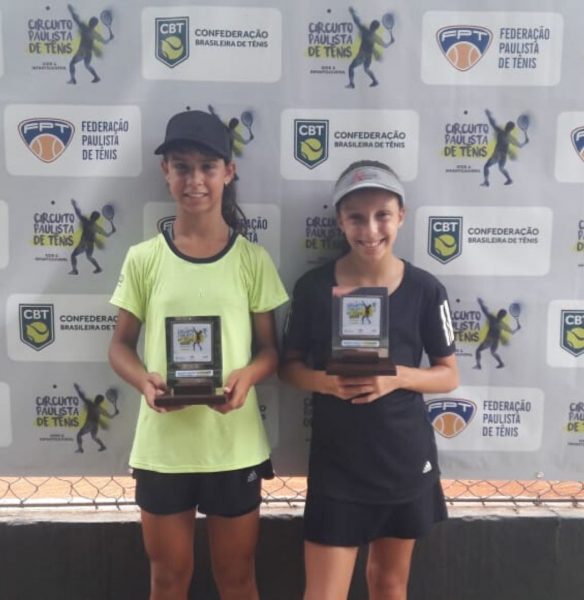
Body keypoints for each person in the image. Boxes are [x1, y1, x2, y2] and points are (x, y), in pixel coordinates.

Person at [108, 110, 288, 600]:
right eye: (182, 167)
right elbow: (120, 346)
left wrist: (247, 376)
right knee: (168, 580)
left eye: (207, 166)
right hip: (163, 449)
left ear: (228, 172)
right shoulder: (144, 258)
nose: (195, 180)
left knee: (237, 578)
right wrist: (144, 381)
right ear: (165, 172)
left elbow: (270, 351)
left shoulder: (252, 259)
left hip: (234, 447)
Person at [280, 160, 459, 600]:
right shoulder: (313, 288)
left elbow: (448, 375)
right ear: (340, 221)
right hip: (338, 467)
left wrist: (395, 377)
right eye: (357, 217)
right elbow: (289, 367)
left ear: (402, 216)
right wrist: (325, 382)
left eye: (383, 215)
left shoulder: (425, 289)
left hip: (403, 462)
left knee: (388, 584)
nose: (371, 229)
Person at [346, 7, 395, 89]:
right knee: (366, 69)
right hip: (369, 56)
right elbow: (385, 45)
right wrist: (391, 42)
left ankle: (351, 84)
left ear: (371, 25)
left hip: (362, 55)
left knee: (351, 67)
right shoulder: (376, 37)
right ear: (376, 28)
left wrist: (353, 13)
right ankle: (375, 81)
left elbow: (357, 22)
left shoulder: (364, 30)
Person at [67, 3, 113, 84]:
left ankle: (73, 80)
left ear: (90, 22)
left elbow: (76, 19)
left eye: (91, 21)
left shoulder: (84, 27)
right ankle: (96, 77)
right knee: (87, 66)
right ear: (95, 25)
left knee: (71, 64)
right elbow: (105, 42)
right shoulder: (95, 34)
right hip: (89, 53)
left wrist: (71, 11)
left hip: (82, 51)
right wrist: (110, 38)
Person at [480, 109, 529, 186]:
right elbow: (520, 146)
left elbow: (493, 123)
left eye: (507, 125)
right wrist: (525, 142)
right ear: (511, 129)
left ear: (507, 126)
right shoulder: (510, 138)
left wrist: (489, 115)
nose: (506, 126)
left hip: (497, 154)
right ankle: (509, 179)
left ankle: (486, 182)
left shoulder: (500, 131)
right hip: (503, 156)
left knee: (486, 166)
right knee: (501, 168)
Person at [69, 198, 116, 275]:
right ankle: (98, 268)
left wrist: (74, 205)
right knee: (89, 257)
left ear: (91, 216)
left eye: (93, 215)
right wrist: (112, 231)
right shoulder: (96, 227)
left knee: (73, 255)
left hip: (84, 243)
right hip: (90, 245)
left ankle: (75, 270)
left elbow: (78, 213)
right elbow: (107, 235)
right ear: (97, 219)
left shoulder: (85, 221)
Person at [473, 297, 521, 369]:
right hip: (495, 341)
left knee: (478, 350)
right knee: (493, 352)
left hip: (489, 339)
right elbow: (512, 332)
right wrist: (518, 328)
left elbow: (485, 311)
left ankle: (478, 365)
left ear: (499, 314)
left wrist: (481, 303)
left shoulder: (492, 318)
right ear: (503, 316)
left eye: (499, 313)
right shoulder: (503, 324)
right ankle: (501, 363)